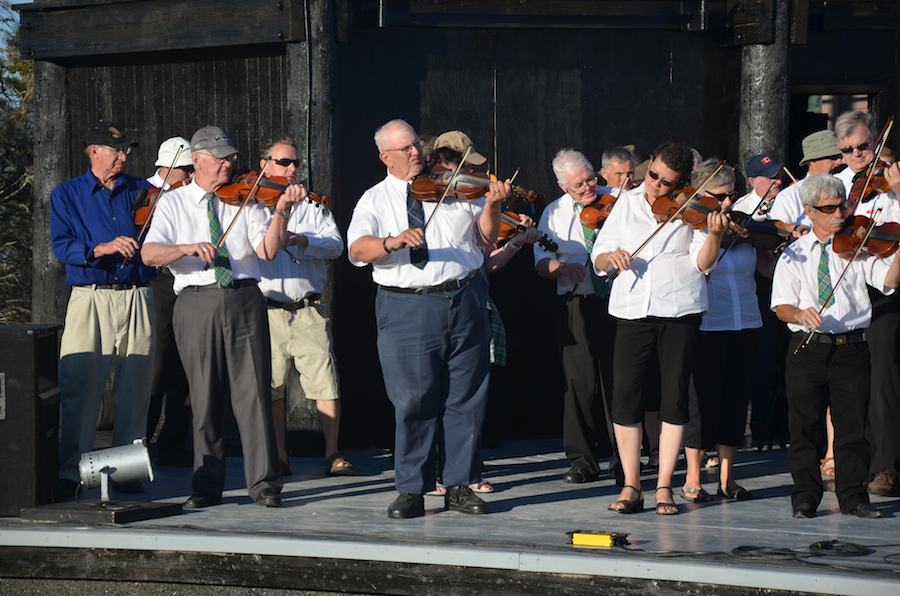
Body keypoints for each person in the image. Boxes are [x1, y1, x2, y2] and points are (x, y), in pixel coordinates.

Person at [346, 119, 510, 519]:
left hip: (465, 296)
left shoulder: (454, 188)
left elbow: (487, 237)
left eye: (417, 146)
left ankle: (461, 484)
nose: (417, 153)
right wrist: (393, 241)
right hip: (408, 306)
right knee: (413, 400)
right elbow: (357, 248)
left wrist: (493, 203)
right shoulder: (375, 199)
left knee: (467, 396)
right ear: (386, 156)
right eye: (406, 149)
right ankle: (412, 489)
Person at [142, 125, 305, 508]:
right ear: (197, 160)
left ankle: (265, 484)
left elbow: (266, 252)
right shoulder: (174, 202)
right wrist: (187, 247)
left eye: (231, 158)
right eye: (220, 158)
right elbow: (149, 254)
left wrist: (281, 212)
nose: (229, 165)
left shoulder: (245, 200)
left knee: (254, 394)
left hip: (245, 297)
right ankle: (206, 485)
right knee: (203, 396)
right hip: (196, 300)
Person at [592, 141, 729, 515]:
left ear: (681, 182)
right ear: (648, 166)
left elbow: (703, 264)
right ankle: (632, 485)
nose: (654, 185)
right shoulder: (625, 203)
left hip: (679, 309)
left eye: (666, 183)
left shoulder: (693, 208)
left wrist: (715, 234)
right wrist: (610, 257)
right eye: (652, 175)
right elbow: (599, 254)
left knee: (674, 397)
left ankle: (665, 485)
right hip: (632, 309)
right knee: (625, 399)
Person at [771, 173, 900, 518]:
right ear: (810, 212)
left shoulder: (857, 247)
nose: (839, 215)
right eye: (829, 209)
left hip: (852, 348)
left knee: (852, 428)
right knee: (805, 427)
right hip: (807, 347)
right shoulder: (794, 255)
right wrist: (799, 311)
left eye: (842, 205)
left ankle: (854, 497)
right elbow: (781, 305)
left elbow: (889, 280)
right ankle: (805, 496)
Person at [51, 120, 157, 497]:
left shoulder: (145, 190)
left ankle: (126, 473)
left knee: (136, 386)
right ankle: (72, 473)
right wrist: (102, 247)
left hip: (137, 293)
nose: (124, 157)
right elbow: (62, 246)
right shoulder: (67, 193)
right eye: (117, 150)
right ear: (94, 151)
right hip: (90, 294)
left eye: (127, 150)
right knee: (81, 385)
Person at [255, 136, 349, 477]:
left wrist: (304, 240)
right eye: (284, 162)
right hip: (267, 310)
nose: (293, 168)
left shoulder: (313, 205)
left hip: (308, 308)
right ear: (265, 164)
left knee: (326, 381)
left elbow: (337, 247)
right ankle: (280, 455)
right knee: (272, 386)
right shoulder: (251, 205)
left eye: (295, 163)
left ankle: (333, 452)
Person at [534, 149, 622, 486]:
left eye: (589, 179)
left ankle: (623, 459)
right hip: (576, 302)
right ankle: (582, 460)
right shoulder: (553, 213)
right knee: (578, 384)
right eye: (578, 184)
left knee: (619, 382)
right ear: (562, 185)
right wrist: (560, 266)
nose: (588, 188)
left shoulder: (619, 200)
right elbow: (540, 262)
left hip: (618, 302)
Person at [679, 160, 761, 503]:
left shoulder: (743, 228)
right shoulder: (692, 227)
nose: (727, 204)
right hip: (709, 322)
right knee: (702, 401)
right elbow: (703, 266)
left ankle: (727, 478)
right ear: (700, 195)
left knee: (735, 400)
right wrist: (715, 234)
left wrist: (782, 243)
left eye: (731, 196)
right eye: (719, 197)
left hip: (746, 320)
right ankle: (693, 477)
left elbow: (766, 267)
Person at [830, 110, 900, 497]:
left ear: (875, 139)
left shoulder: (894, 177)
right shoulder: (841, 184)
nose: (857, 155)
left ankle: (886, 466)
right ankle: (858, 461)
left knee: (884, 377)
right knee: (854, 380)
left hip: (889, 286)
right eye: (848, 150)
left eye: (863, 146)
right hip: (851, 288)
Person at [146, 136, 195, 468]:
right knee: (156, 366)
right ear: (169, 168)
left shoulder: (191, 194)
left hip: (189, 282)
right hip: (161, 280)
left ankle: (173, 444)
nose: (192, 176)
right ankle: (140, 443)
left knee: (187, 368)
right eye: (188, 170)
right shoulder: (145, 193)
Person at [767, 131, 843, 233]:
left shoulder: (848, 183)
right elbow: (775, 233)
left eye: (840, 156)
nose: (840, 162)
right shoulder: (788, 196)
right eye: (832, 157)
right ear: (812, 161)